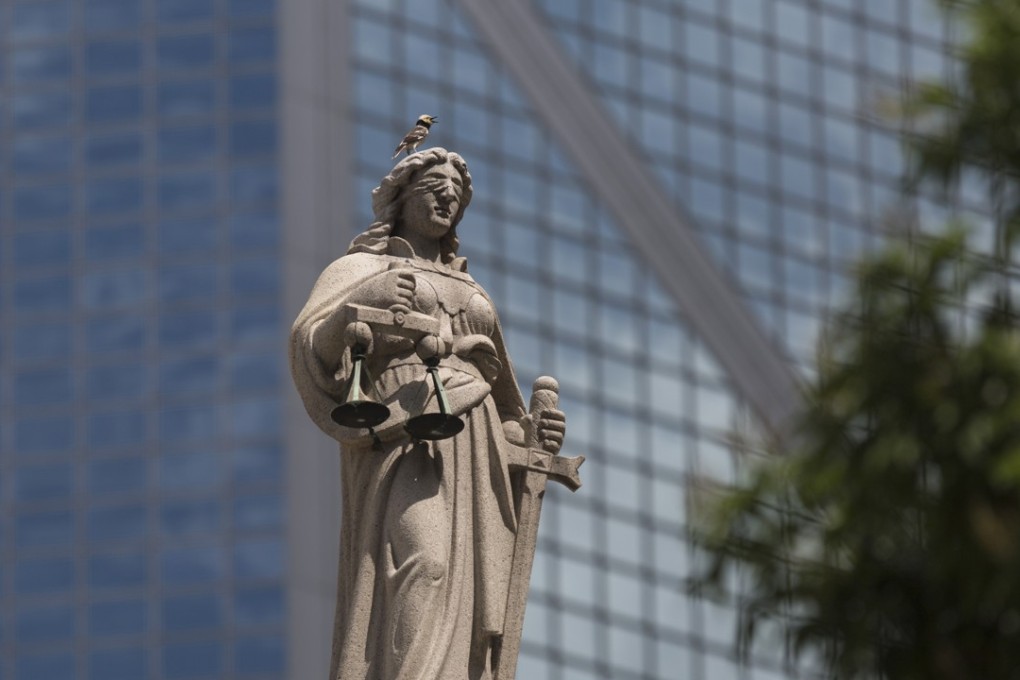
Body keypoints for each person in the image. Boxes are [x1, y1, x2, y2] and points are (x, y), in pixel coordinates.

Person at [290, 148, 565, 680]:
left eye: (456, 192)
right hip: (405, 430)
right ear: (401, 195)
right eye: (433, 186)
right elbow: (312, 348)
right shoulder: (363, 267)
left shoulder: (473, 292)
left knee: (469, 587)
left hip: (475, 440)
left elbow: (507, 407)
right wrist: (360, 301)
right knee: (426, 562)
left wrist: (534, 434)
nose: (447, 196)